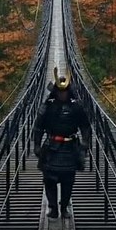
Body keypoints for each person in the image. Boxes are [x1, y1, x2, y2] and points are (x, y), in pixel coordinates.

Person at [33, 67, 92, 219]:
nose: (62, 94)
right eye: (60, 91)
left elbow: (85, 126)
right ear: (56, 91)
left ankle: (64, 207)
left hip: (70, 147)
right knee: (49, 179)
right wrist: (37, 145)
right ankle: (53, 208)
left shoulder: (77, 107)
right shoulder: (47, 107)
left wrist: (85, 142)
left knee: (68, 180)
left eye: (64, 91)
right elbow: (38, 127)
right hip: (52, 147)